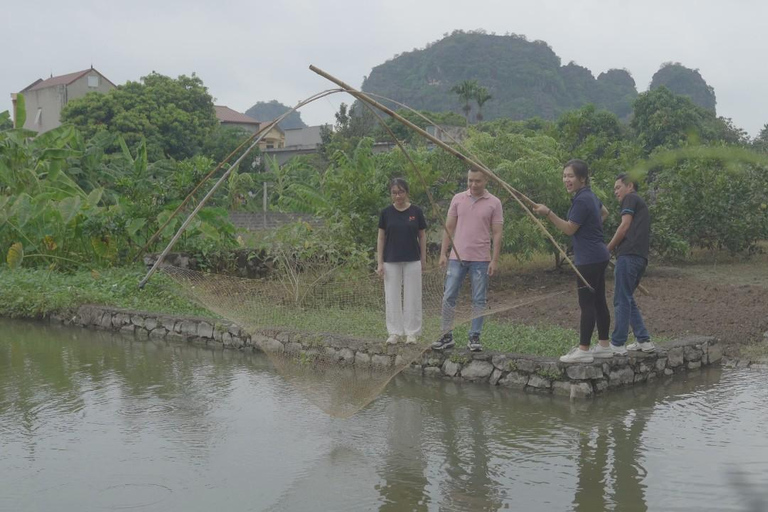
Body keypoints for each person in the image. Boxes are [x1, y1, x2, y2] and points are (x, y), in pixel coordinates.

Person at [533, 159, 613, 363]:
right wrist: (591, 228)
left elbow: (569, 229)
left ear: (582, 178)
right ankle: (604, 345)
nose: (566, 180)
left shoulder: (581, 200)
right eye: (564, 176)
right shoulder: (590, 196)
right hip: (600, 254)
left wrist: (548, 213)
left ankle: (584, 350)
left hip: (588, 258)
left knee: (587, 303)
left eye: (570, 176)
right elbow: (605, 213)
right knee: (599, 300)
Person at [432, 168, 504, 352]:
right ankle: (446, 335)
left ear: (486, 180)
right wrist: (443, 253)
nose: (473, 184)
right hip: (457, 257)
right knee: (449, 296)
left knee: (479, 299)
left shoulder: (494, 203)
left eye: (477, 181)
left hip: (481, 259)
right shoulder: (458, 198)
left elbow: (497, 233)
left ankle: (474, 336)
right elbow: (449, 227)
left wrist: (494, 260)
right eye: (470, 180)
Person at [606, 173, 655, 353]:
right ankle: (643, 340)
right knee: (627, 298)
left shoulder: (630, 199)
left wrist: (609, 248)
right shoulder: (639, 202)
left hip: (629, 256)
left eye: (618, 187)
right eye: (615, 189)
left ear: (630, 186)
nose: (616, 192)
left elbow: (624, 225)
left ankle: (617, 343)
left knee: (621, 299)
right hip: (640, 258)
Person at [377, 178, 427, 345]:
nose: (398, 196)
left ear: (407, 192)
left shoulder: (416, 211)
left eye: (401, 192)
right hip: (391, 260)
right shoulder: (386, 213)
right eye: (394, 193)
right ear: (391, 194)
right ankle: (394, 332)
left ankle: (411, 332)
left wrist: (423, 259)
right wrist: (380, 262)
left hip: (413, 259)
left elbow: (422, 236)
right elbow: (381, 238)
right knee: (391, 296)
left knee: (413, 295)